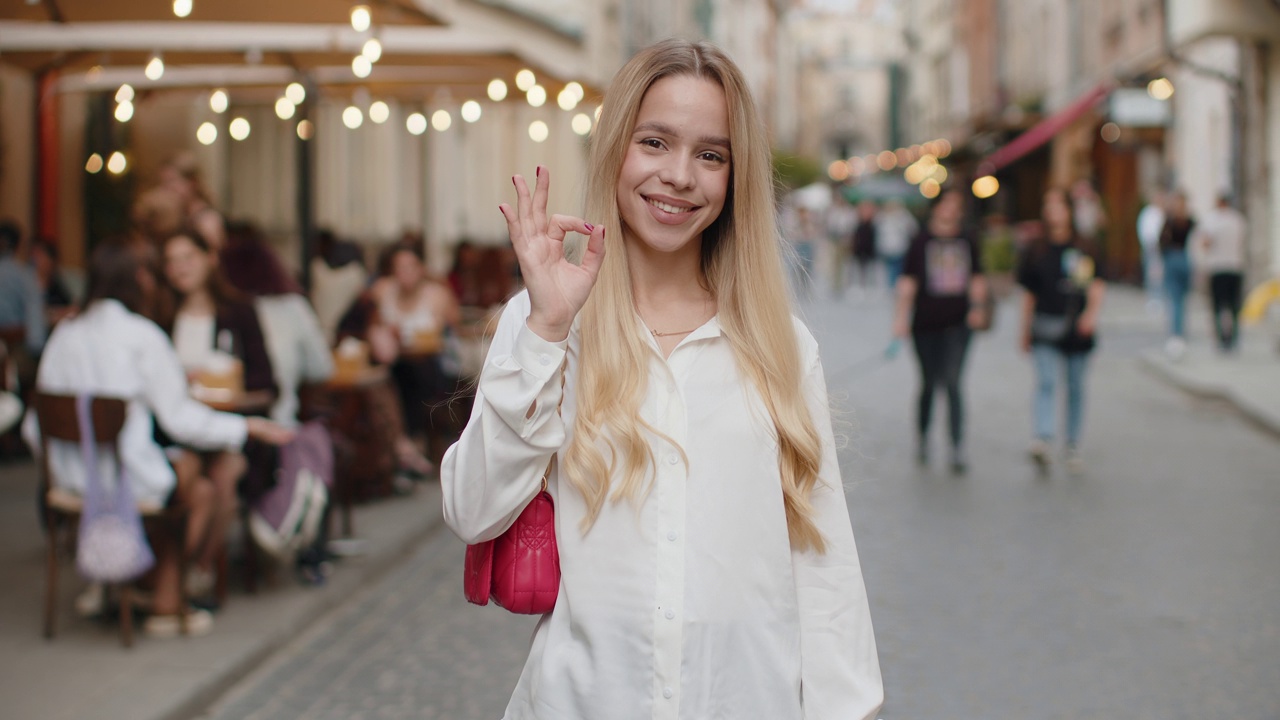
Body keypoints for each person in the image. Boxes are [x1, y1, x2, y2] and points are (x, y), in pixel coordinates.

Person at [441, 39, 882, 719]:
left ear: (735, 179)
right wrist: (547, 334)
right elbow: (473, 511)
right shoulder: (545, 326)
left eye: (711, 154)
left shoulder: (780, 347)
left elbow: (824, 569)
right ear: (617, 148)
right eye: (655, 142)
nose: (679, 175)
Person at [21, 238, 293, 636]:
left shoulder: (65, 335)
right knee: (197, 490)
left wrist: (66, 466)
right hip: (125, 478)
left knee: (191, 478)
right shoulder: (141, 336)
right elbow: (180, 419)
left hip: (69, 481)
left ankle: (128, 585)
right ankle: (163, 599)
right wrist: (247, 427)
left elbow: (34, 426)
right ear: (137, 280)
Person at [160, 228, 278, 593]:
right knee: (192, 481)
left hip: (231, 427)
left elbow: (267, 386)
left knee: (225, 475)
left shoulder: (239, 312)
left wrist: (231, 390)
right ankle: (166, 576)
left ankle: (201, 568)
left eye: (187, 258)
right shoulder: (161, 317)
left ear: (209, 259)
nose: (179, 268)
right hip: (176, 430)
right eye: (171, 261)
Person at [892, 189, 989, 473]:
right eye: (945, 204)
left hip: (959, 323)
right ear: (935, 208)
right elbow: (908, 282)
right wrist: (900, 317)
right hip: (925, 323)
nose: (950, 210)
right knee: (929, 383)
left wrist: (978, 308)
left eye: (955, 205)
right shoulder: (920, 241)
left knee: (954, 382)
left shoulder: (968, 239)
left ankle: (956, 446)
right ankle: (923, 436)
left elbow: (977, 277)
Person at [1017, 188, 1106, 475]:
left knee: (1076, 386)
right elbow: (1028, 293)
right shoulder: (1037, 249)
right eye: (1048, 206)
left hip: (1076, 327)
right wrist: (1024, 328)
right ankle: (1043, 437)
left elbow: (1096, 284)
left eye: (1058, 206)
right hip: (1044, 322)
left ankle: (1072, 443)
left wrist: (1091, 315)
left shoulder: (1084, 247)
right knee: (1046, 381)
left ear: (1069, 210)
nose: (1052, 212)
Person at [220, 221, 334, 426]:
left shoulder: (224, 311)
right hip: (279, 422)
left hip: (234, 423)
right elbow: (320, 368)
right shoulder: (292, 306)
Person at [368, 240, 462, 458]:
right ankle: (407, 442)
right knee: (394, 374)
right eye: (399, 268)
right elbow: (372, 326)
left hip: (431, 363)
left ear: (421, 268)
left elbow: (451, 330)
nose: (405, 273)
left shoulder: (437, 294)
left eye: (410, 266)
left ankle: (407, 441)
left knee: (409, 374)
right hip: (395, 363)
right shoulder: (382, 291)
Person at [1197, 194, 1247, 352]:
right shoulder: (1238, 220)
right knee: (1234, 306)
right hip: (1235, 266)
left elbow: (1205, 243)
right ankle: (1234, 337)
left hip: (1217, 267)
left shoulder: (1212, 220)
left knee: (1218, 305)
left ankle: (1221, 338)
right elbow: (1243, 241)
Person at [0, 220, 47, 355]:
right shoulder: (23, 275)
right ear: (19, 245)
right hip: (14, 348)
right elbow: (34, 311)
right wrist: (37, 351)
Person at [1159, 190, 1195, 358]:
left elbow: (1161, 241)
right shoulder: (1189, 220)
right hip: (1185, 259)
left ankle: (1176, 334)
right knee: (1182, 300)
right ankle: (1180, 333)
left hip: (1173, 258)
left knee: (1174, 299)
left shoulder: (1171, 220)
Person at [876, 198, 919, 293]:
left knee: (898, 268)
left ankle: (896, 285)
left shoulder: (903, 216)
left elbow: (912, 229)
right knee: (890, 268)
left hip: (900, 247)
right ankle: (892, 285)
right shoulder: (883, 217)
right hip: (888, 248)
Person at [1135, 189, 1166, 313]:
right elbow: (1145, 231)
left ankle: (1159, 298)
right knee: (1151, 274)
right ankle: (1152, 299)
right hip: (1151, 247)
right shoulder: (1148, 213)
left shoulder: (1161, 213)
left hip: (1161, 248)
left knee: (1159, 275)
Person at [850, 199, 879, 291]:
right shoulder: (858, 223)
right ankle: (860, 286)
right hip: (860, 249)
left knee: (870, 269)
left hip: (869, 250)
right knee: (859, 269)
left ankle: (869, 286)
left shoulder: (873, 224)